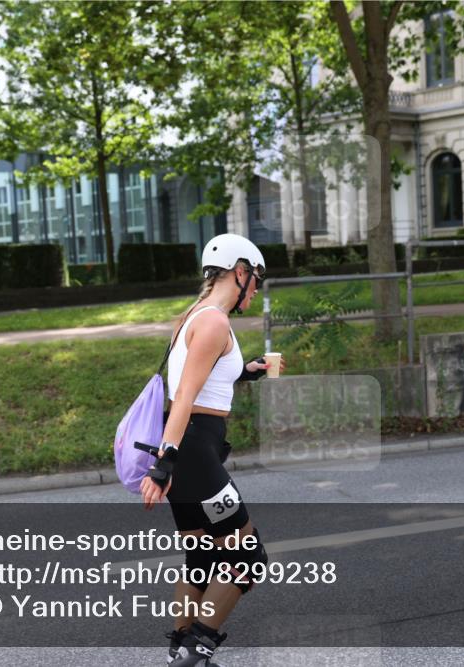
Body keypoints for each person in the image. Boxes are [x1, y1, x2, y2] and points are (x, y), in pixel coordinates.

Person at [140, 233, 286, 666]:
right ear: (239, 272)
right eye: (255, 278)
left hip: (190, 448)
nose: (256, 288)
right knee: (249, 558)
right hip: (194, 451)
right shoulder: (216, 322)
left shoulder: (195, 315)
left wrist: (246, 371)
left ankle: (179, 652)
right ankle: (196, 650)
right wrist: (166, 460)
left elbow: (201, 378)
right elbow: (184, 395)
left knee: (202, 558)